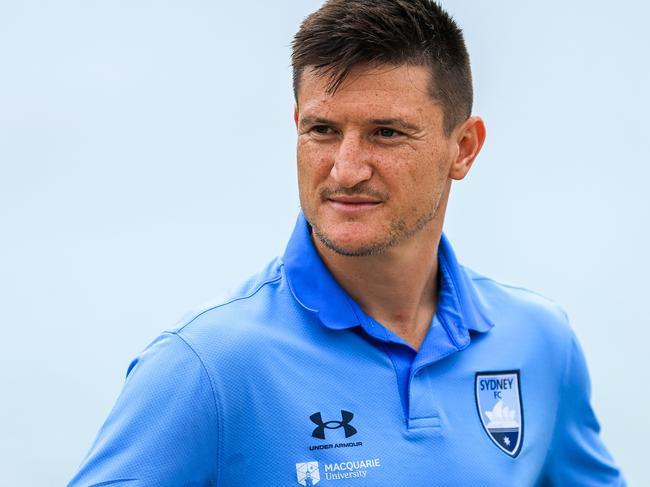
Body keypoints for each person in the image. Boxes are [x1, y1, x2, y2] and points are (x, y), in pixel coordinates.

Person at [69, 1, 626, 485]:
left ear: (464, 148)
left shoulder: (539, 341)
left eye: (386, 133)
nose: (346, 168)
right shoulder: (205, 368)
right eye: (323, 130)